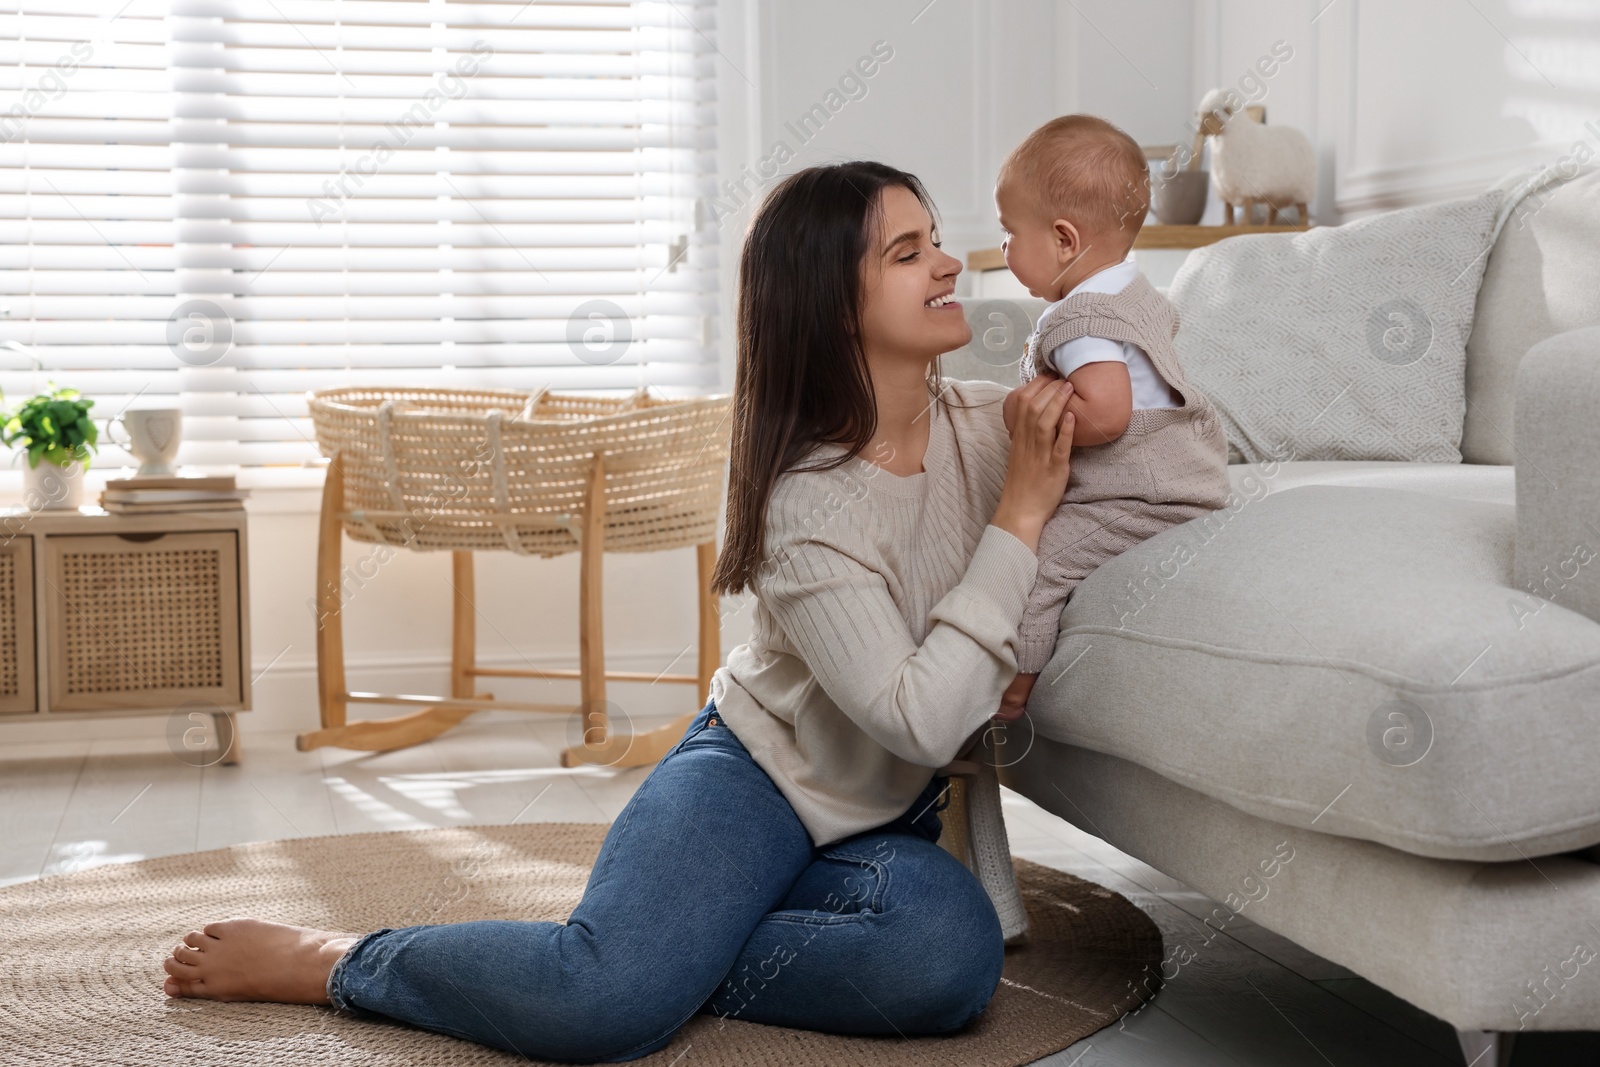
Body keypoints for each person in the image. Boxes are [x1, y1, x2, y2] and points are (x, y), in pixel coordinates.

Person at [159, 161, 1077, 1063]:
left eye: (939, 242)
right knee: (597, 1005)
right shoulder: (809, 499)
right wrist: (1022, 515)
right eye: (909, 251)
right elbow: (919, 719)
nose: (950, 265)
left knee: (947, 958)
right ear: (835, 303)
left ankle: (671, 948)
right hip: (755, 779)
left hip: (883, 821)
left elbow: (1158, 447)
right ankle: (338, 961)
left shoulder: (990, 430)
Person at [991, 114, 1232, 722]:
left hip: (1137, 495)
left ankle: (1013, 687)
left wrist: (1031, 412)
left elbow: (1108, 413)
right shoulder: (1134, 293)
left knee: (1040, 565)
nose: (1004, 250)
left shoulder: (1079, 319)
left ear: (1065, 240)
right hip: (1183, 475)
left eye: (1009, 233)